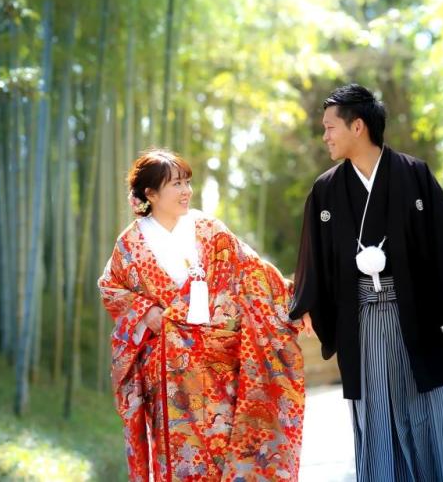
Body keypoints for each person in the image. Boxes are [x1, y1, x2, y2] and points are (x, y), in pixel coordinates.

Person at [291, 84, 443, 481]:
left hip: (416, 311)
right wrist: (308, 304)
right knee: (376, 416)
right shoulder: (326, 189)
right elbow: (312, 258)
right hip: (361, 319)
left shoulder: (414, 175)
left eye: (331, 127)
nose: (325, 136)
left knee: (429, 411)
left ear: (358, 126)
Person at [99, 148, 305, 482]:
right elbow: (110, 289)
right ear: (150, 194)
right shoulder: (130, 244)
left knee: (225, 452)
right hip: (168, 376)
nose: (185, 191)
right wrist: (145, 310)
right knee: (180, 459)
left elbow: (252, 272)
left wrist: (298, 302)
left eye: (187, 182)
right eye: (175, 184)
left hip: (220, 368)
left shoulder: (209, 229)